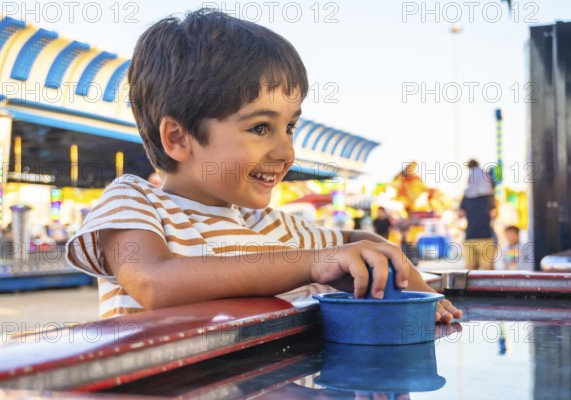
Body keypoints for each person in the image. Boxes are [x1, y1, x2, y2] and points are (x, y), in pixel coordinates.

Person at [66, 9, 461, 322]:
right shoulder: (134, 203)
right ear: (178, 138)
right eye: (260, 127)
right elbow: (153, 282)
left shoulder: (273, 227)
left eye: (289, 127)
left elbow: (370, 243)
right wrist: (313, 264)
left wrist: (423, 297)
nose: (286, 151)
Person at [458, 159, 498, 270]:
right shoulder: (489, 197)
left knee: (470, 271)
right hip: (486, 236)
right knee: (487, 271)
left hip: (470, 236)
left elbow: (460, 214)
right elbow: (494, 214)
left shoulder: (466, 196)